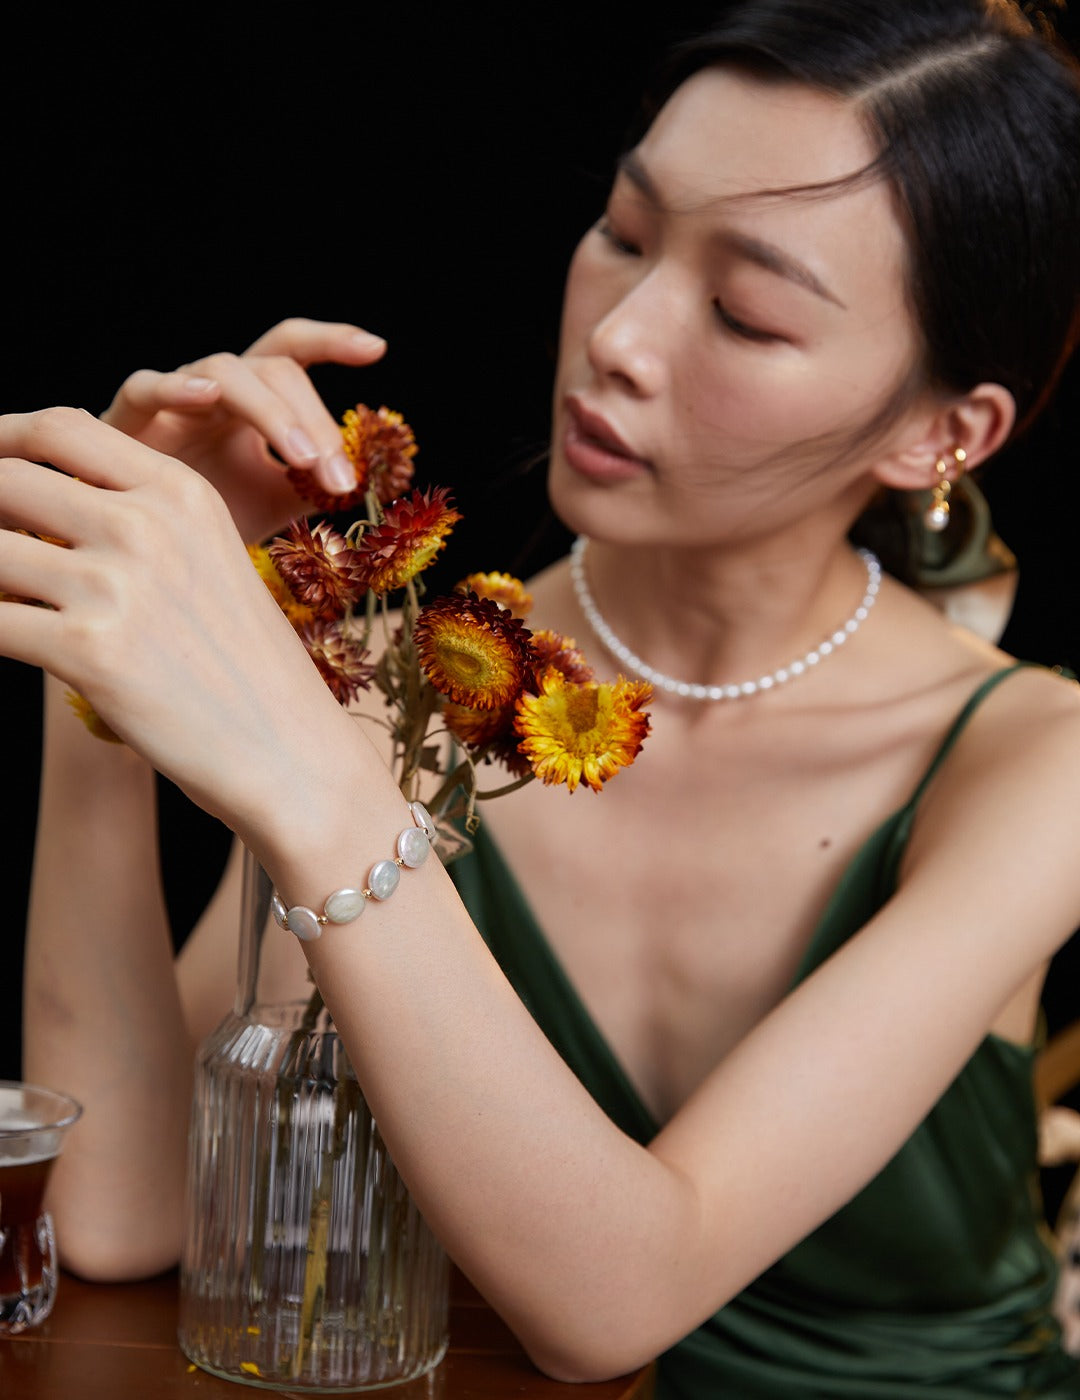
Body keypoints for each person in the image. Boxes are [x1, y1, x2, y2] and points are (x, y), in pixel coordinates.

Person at [5, 1, 1080, 1393]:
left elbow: (612, 1302)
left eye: (746, 314)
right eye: (625, 233)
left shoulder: (1035, 763)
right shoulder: (427, 671)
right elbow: (126, 1212)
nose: (622, 335)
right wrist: (107, 638)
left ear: (947, 431)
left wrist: (309, 771)